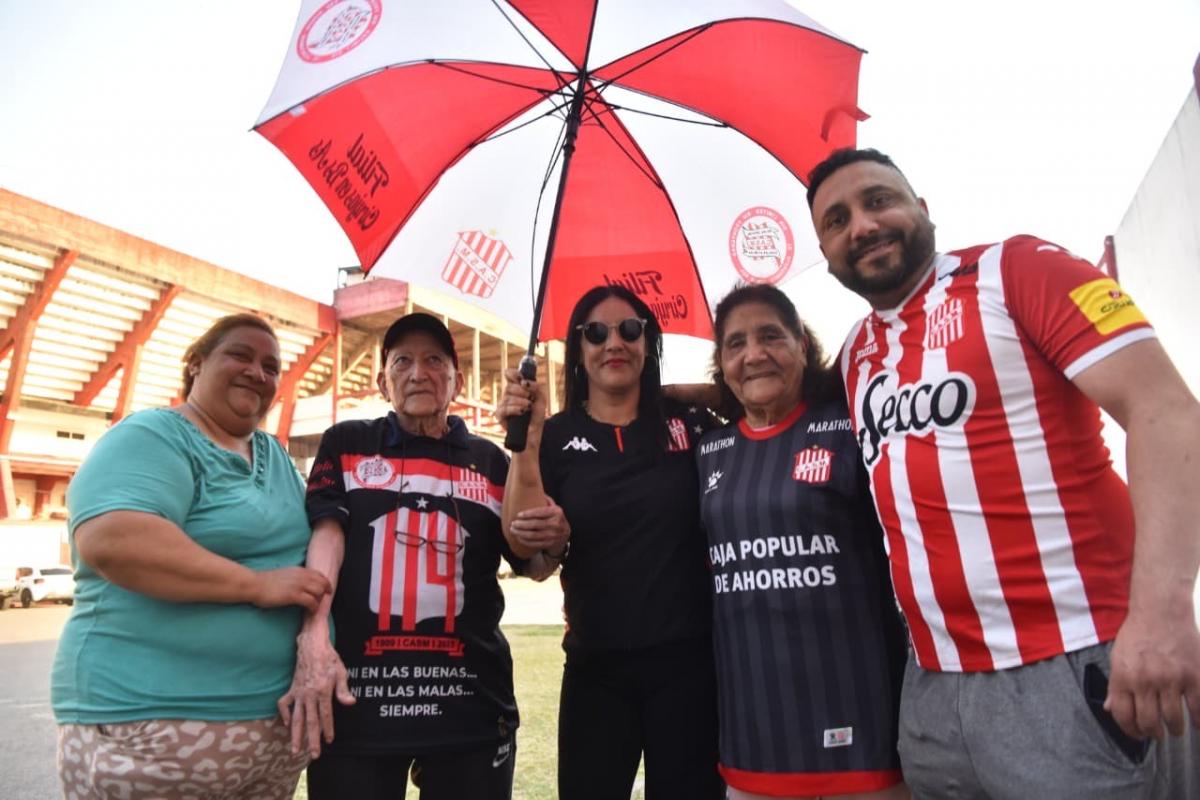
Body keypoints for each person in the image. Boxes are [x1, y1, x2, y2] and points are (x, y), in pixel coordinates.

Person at [806, 147, 1200, 798]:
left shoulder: (1015, 270)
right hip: (932, 688)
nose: (862, 226)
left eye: (878, 200)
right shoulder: (855, 353)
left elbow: (1167, 411)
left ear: (922, 210)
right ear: (826, 251)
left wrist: (1162, 615)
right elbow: (773, 393)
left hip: (1075, 663)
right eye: (837, 220)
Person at [281, 312, 566, 800]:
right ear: (381, 379)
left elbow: (534, 563)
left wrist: (554, 536)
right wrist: (312, 635)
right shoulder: (347, 443)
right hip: (358, 704)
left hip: (469, 705)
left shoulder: (494, 460)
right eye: (402, 361)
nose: (419, 373)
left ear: (456, 379)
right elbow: (326, 536)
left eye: (435, 360)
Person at [53, 313, 327, 799]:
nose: (257, 372)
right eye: (239, 355)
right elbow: (116, 539)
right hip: (148, 729)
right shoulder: (154, 435)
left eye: (270, 366)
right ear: (195, 364)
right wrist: (257, 586)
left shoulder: (277, 457)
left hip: (270, 743)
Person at [498, 284, 724, 800]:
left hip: (688, 672)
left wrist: (685, 392)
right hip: (596, 673)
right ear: (578, 350)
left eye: (630, 330)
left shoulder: (687, 425)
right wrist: (526, 443)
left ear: (649, 343)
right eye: (596, 333)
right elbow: (529, 556)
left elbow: (752, 392)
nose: (613, 343)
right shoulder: (553, 435)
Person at [697, 283, 908, 800]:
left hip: (864, 745)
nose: (754, 354)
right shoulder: (707, 451)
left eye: (771, 336)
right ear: (721, 363)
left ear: (803, 346)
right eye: (735, 343)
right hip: (752, 748)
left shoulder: (854, 430)